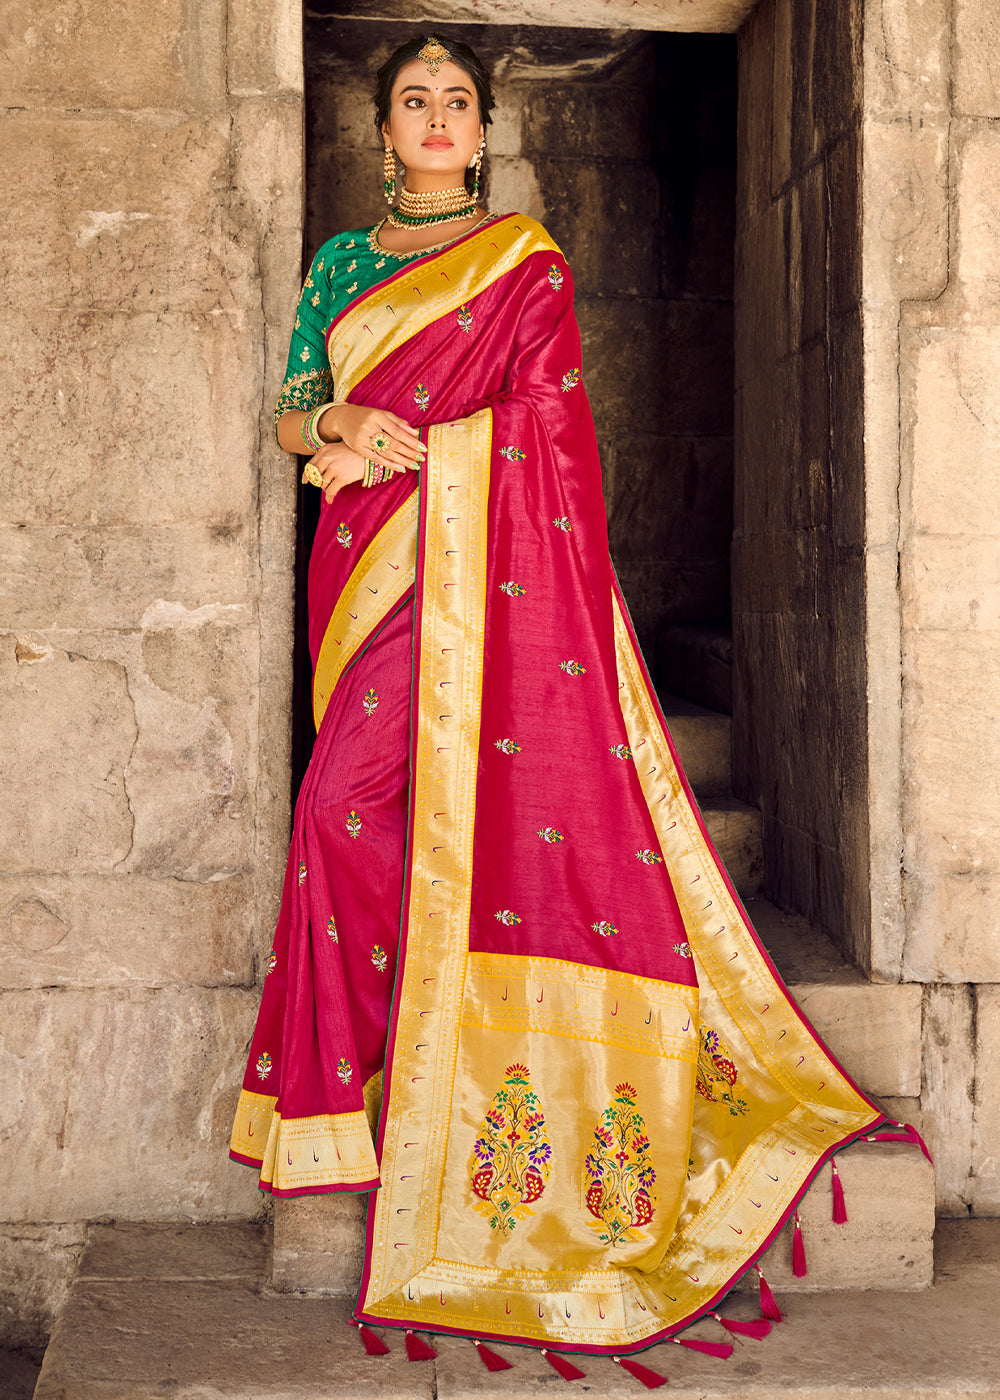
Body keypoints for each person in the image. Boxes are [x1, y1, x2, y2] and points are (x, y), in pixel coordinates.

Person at [230, 33, 899, 1373]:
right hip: (369, 582)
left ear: (481, 134)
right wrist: (342, 431)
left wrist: (440, 447)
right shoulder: (342, 269)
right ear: (385, 129)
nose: (434, 116)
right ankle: (366, 1090)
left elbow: (548, 420)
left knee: (429, 817)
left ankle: (438, 1089)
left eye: (456, 102)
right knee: (344, 818)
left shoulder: (524, 262)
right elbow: (294, 406)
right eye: (413, 98)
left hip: (486, 578)